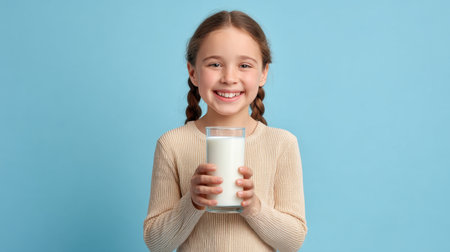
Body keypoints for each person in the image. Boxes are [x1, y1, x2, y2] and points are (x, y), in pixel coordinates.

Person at [143, 10, 307, 252]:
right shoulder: (172, 144)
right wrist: (192, 202)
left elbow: (293, 241)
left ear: (263, 73)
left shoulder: (281, 143)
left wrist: (254, 207)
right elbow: (157, 243)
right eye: (215, 64)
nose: (229, 78)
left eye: (244, 65)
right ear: (193, 72)